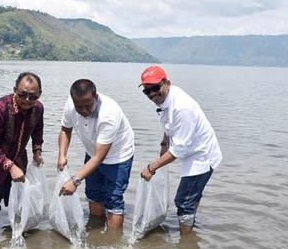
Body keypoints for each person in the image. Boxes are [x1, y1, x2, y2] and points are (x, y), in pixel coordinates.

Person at [138, 65, 222, 235]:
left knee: (183, 201)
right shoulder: (167, 99)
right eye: (147, 91)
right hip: (192, 150)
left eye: (156, 88)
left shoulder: (182, 107)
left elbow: (179, 151)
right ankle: (192, 229)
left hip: (201, 156)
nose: (153, 94)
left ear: (167, 83)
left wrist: (151, 167)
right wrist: (164, 143)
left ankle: (186, 243)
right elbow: (169, 124)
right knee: (191, 196)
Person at [57, 79, 135, 230]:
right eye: (79, 107)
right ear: (73, 101)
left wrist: (74, 181)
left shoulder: (109, 114)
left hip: (118, 155)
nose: (84, 110)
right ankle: (95, 233)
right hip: (92, 151)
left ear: (96, 97)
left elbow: (99, 158)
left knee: (113, 199)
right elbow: (66, 129)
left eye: (88, 105)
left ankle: (112, 243)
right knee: (93, 193)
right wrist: (62, 155)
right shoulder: (70, 105)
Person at [0, 72, 44, 231]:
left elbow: (37, 130)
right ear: (15, 90)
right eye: (22, 95)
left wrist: (37, 150)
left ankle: (16, 233)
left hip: (18, 157)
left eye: (32, 96)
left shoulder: (38, 108)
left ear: (39, 94)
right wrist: (10, 166)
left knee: (19, 196)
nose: (27, 100)